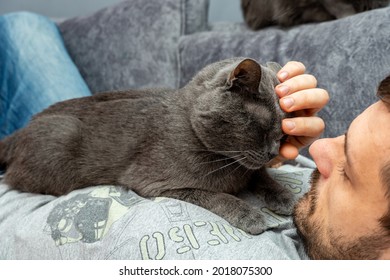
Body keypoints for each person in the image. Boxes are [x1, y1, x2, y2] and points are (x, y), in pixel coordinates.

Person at [0, 12, 388, 260]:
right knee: (23, 27)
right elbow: (151, 172)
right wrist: (268, 157)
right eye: (341, 138)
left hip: (29, 182)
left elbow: (146, 180)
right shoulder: (313, 185)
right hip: (58, 141)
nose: (319, 150)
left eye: (348, 171)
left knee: (22, 29)